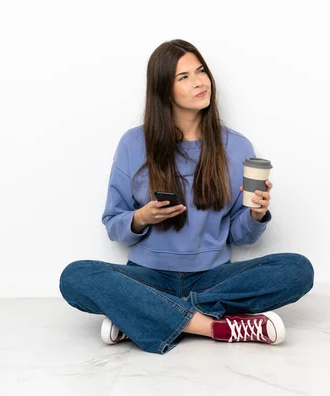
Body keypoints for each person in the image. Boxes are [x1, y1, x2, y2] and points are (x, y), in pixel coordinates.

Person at [59, 39, 314, 355]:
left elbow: (239, 237)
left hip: (213, 277)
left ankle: (141, 315)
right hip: (148, 276)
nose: (200, 82)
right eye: (184, 77)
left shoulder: (237, 147)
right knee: (75, 277)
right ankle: (213, 326)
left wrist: (256, 215)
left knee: (298, 270)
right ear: (165, 89)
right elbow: (113, 223)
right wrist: (141, 218)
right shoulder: (133, 143)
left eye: (201, 71)